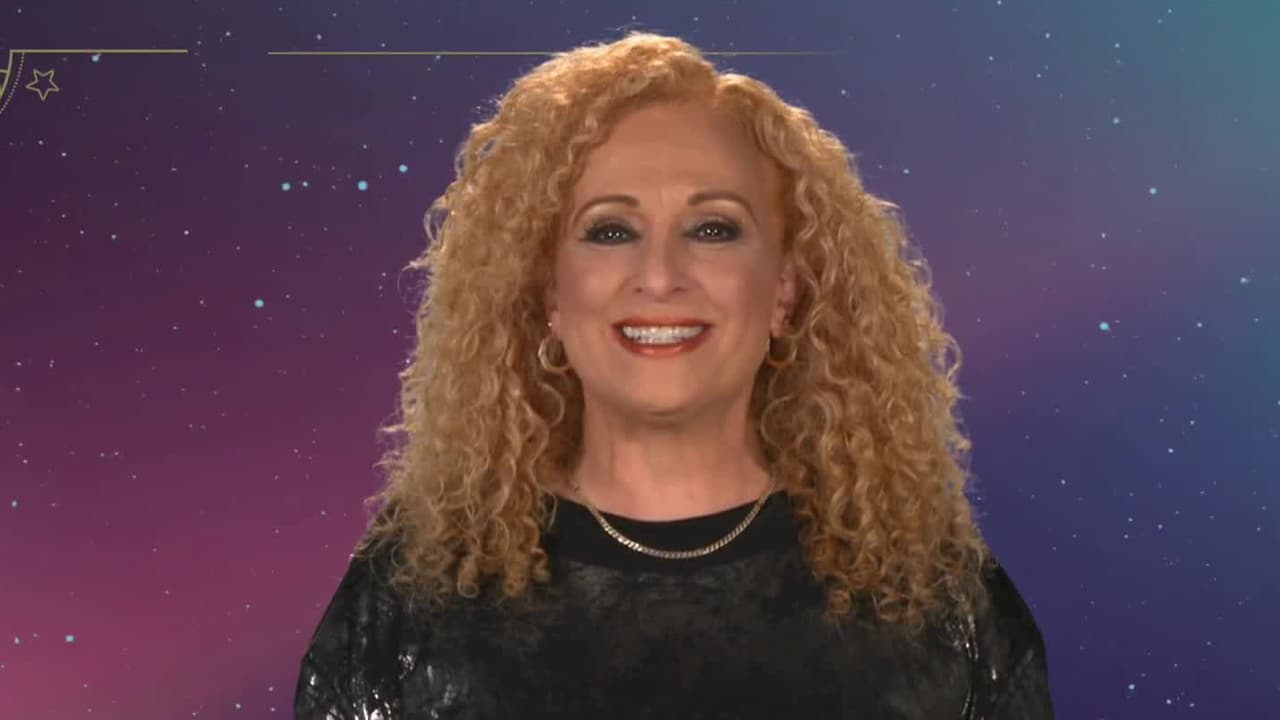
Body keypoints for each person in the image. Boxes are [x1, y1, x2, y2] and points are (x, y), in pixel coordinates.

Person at [293, 31, 1055, 719]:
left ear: (785, 290)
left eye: (712, 228)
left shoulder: (930, 594)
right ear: (550, 292)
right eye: (610, 231)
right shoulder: (412, 597)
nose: (659, 276)